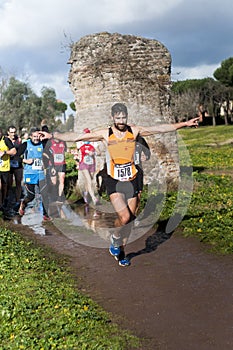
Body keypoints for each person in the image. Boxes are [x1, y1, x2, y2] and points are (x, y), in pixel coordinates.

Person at [39, 103, 200, 267]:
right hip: (114, 180)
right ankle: (115, 238)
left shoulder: (134, 131)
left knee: (129, 220)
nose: (121, 121)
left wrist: (184, 124)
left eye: (124, 117)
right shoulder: (106, 134)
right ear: (113, 117)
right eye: (118, 118)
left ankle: (121, 251)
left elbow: (160, 128)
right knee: (124, 217)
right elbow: (76, 137)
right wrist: (53, 135)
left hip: (132, 178)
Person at [18, 127, 52, 221]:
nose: (36, 138)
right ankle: (23, 204)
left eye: (38, 136)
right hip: (29, 174)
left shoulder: (43, 144)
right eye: (34, 136)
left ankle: (46, 215)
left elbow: (50, 154)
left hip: (41, 174)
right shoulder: (26, 144)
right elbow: (16, 156)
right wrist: (25, 160)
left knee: (45, 194)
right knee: (31, 196)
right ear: (30, 136)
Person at [77, 128, 99, 205]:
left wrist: (93, 152)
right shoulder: (80, 143)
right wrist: (78, 162)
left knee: (90, 181)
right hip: (84, 164)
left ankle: (86, 194)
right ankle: (94, 198)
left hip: (92, 164)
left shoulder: (93, 143)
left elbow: (98, 152)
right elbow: (78, 154)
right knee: (89, 180)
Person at [43, 134, 67, 203]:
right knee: (54, 182)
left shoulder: (63, 142)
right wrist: (49, 158)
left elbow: (65, 151)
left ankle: (59, 198)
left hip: (62, 164)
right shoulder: (50, 142)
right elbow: (45, 152)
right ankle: (53, 196)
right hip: (53, 165)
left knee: (62, 180)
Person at [6, 125, 23, 211]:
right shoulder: (5, 140)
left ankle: (17, 201)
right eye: (11, 132)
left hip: (18, 164)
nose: (13, 134)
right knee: (8, 184)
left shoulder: (19, 140)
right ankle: (8, 200)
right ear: (8, 132)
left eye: (14, 132)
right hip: (8, 164)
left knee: (18, 183)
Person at [0, 128, 17, 212]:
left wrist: (5, 152)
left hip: (4, 168)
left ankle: (3, 202)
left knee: (4, 187)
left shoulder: (6, 140)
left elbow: (14, 151)